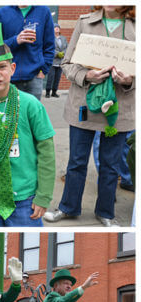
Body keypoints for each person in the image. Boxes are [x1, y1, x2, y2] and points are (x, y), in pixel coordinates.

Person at [44, 6, 135, 227]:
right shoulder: (85, 22)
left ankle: (105, 212)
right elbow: (66, 64)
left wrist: (128, 81)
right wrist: (87, 75)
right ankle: (68, 207)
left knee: (110, 165)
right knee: (77, 161)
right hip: (84, 105)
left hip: (119, 109)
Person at [0, 22, 56, 226]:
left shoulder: (30, 105)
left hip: (26, 200)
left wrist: (43, 196)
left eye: (2, 67)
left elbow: (47, 152)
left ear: (12, 68)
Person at [0, 6, 55, 101]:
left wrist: (43, 70)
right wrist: (15, 40)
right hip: (8, 78)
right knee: (11, 114)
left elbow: (49, 45)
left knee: (33, 114)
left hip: (35, 77)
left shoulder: (44, 11)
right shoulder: (2, 13)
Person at [45, 24, 67, 98]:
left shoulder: (63, 38)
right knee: (50, 77)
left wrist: (63, 53)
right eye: (55, 27)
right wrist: (57, 54)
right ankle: (48, 92)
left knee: (57, 78)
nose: (57, 28)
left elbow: (67, 47)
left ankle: (54, 92)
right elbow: (49, 47)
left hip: (60, 62)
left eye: (58, 27)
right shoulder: (50, 38)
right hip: (52, 61)